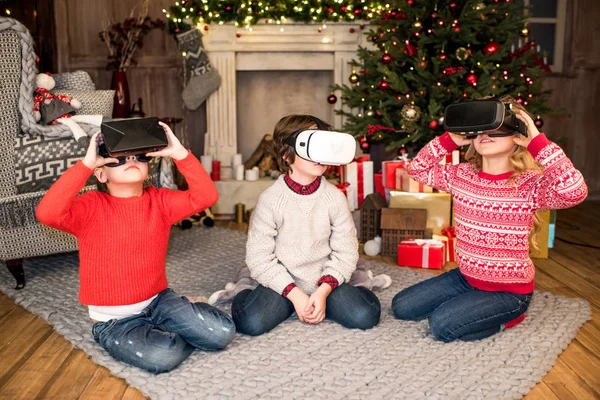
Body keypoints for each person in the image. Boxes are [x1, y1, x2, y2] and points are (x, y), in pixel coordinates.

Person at [36, 123, 235, 373]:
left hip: (160, 301)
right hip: (115, 322)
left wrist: (179, 154)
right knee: (164, 356)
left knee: (223, 333)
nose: (130, 160)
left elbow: (206, 197)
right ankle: (178, 327)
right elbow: (47, 213)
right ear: (101, 174)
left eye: (138, 157)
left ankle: (179, 317)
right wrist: (86, 164)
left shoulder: (160, 201)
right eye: (118, 159)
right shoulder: (90, 207)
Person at [392, 97, 588, 342]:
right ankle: (470, 303)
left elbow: (574, 191)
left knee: (442, 326)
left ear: (518, 136)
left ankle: (510, 317)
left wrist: (539, 144)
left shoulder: (530, 184)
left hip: (508, 292)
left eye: (496, 129)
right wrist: (450, 139)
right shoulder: (462, 175)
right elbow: (417, 169)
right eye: (480, 129)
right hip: (465, 278)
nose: (486, 134)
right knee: (402, 307)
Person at [231, 115, 381, 335]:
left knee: (365, 315)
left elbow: (347, 251)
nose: (318, 155)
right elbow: (259, 257)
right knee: (250, 322)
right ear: (286, 155)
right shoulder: (270, 200)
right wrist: (295, 295)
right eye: (309, 145)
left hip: (325, 283)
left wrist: (322, 292)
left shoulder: (334, 198)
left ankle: (338, 291)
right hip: (284, 284)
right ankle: (248, 287)